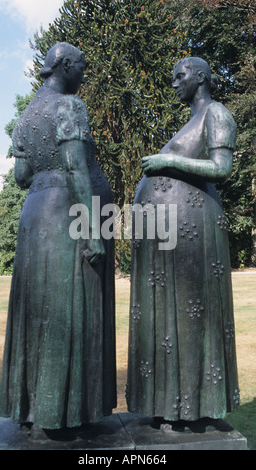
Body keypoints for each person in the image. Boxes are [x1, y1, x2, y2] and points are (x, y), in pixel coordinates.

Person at [0, 43, 116, 432]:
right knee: (69, 311)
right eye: (81, 66)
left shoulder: (26, 115)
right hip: (68, 214)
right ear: (64, 65)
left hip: (35, 214)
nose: (83, 74)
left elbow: (20, 177)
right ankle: (67, 413)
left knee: (39, 313)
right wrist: (93, 233)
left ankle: (35, 409)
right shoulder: (69, 107)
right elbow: (76, 167)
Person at [127, 57, 240, 424]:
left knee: (192, 316)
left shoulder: (217, 114)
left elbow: (222, 169)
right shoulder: (190, 121)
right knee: (170, 320)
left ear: (201, 78)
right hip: (171, 234)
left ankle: (193, 408)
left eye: (180, 76)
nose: (174, 83)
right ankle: (169, 406)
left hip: (195, 231)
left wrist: (166, 163)